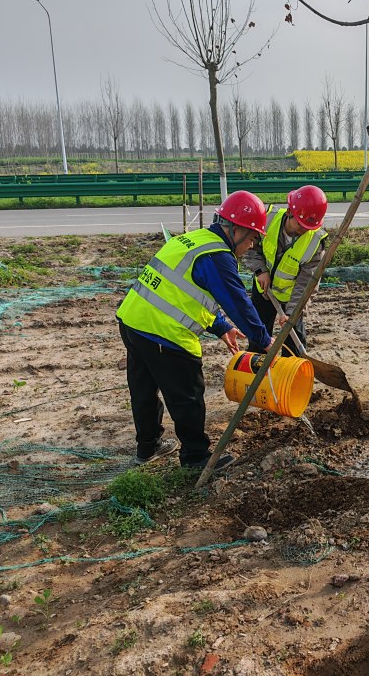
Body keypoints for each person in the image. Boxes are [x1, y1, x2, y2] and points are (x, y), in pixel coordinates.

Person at [116, 190, 274, 472]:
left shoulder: (196, 240)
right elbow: (238, 302)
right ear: (235, 229)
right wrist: (264, 341)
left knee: (143, 388)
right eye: (252, 237)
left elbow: (184, 293)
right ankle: (195, 458)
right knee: (188, 394)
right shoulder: (218, 256)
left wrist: (221, 326)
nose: (251, 245)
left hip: (133, 321)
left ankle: (148, 446)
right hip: (163, 333)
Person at [243, 185, 329, 356]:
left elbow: (306, 283)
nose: (303, 230)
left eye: (308, 227)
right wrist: (260, 270)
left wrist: (292, 312)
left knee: (294, 345)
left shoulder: (315, 243)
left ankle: (291, 375)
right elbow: (250, 247)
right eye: (300, 224)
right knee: (258, 337)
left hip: (292, 297)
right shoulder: (268, 219)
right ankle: (256, 372)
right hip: (264, 289)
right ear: (290, 212)